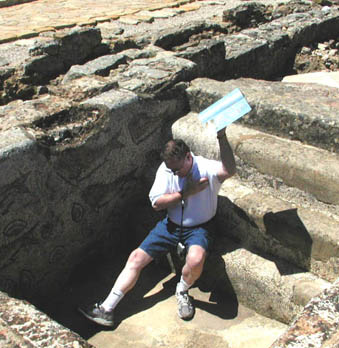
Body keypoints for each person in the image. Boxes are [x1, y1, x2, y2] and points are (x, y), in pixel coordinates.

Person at [78, 127, 236, 327]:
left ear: (188, 156)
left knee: (195, 260)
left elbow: (229, 170)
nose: (174, 173)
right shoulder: (167, 168)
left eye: (177, 169)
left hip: (200, 227)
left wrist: (221, 136)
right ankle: (106, 308)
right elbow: (156, 203)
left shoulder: (205, 168)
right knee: (136, 257)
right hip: (170, 226)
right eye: (171, 169)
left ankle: (182, 290)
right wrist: (185, 193)